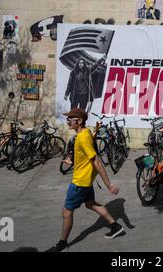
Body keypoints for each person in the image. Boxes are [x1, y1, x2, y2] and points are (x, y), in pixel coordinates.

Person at [47, 108, 123, 252]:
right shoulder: (85, 132)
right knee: (91, 204)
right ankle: (115, 226)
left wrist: (108, 185)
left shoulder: (82, 137)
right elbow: (86, 156)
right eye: (68, 118)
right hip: (85, 181)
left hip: (79, 182)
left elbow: (96, 161)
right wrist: (74, 161)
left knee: (67, 212)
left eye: (70, 119)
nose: (68, 121)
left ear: (79, 121)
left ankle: (62, 244)